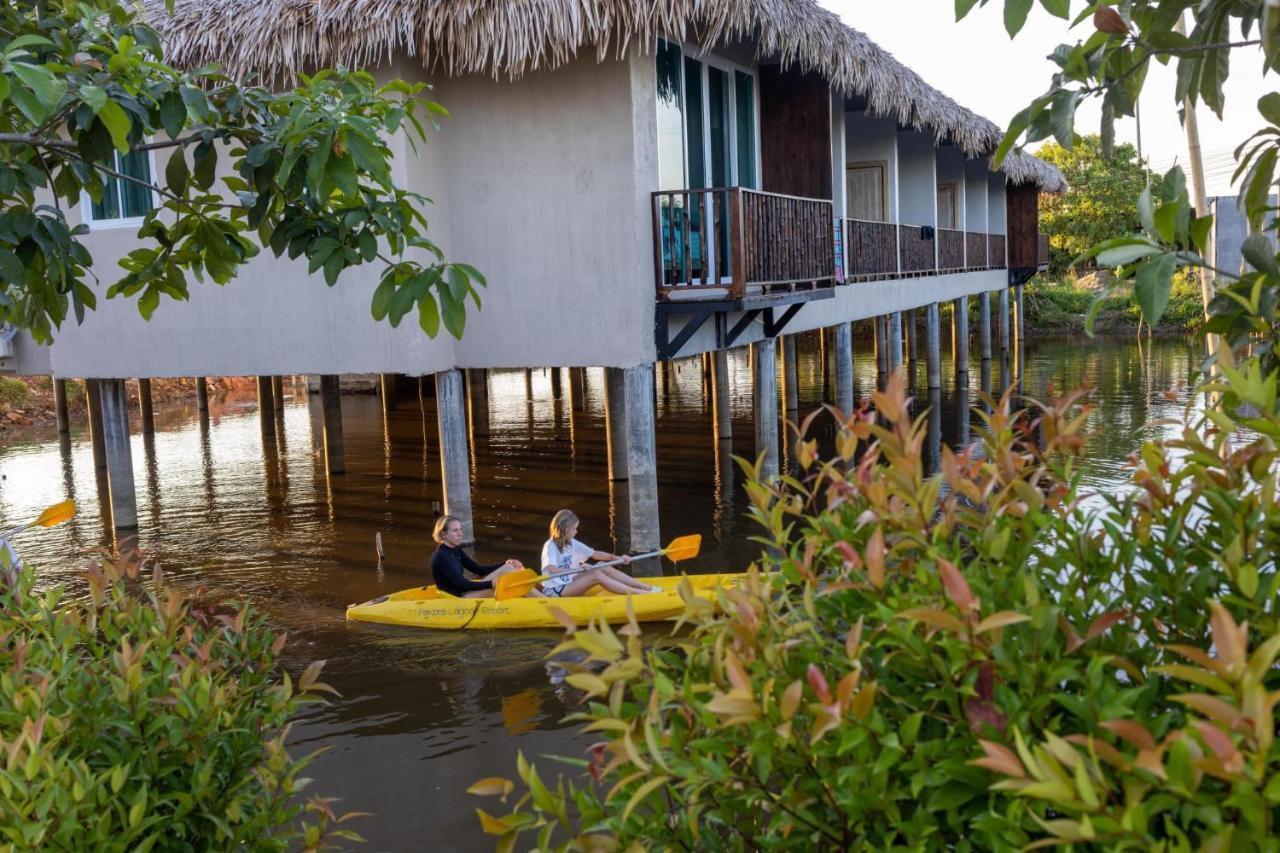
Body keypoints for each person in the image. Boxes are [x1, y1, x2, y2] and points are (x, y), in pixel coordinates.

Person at [538, 509, 659, 597]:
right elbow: (551, 569)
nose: (576, 531)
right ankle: (639, 593)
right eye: (574, 528)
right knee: (595, 575)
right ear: (564, 529)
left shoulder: (571, 542)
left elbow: (595, 554)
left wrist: (619, 557)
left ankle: (643, 586)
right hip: (555, 590)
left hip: (569, 582)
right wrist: (579, 569)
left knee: (602, 565)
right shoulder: (550, 546)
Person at [429, 515, 523, 598]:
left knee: (509, 568)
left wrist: (505, 563)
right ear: (443, 534)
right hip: (459, 598)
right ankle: (536, 603)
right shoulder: (441, 556)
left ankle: (537, 599)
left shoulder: (455, 549)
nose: (460, 534)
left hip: (466, 592)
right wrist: (491, 584)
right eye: (455, 530)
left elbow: (478, 569)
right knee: (508, 586)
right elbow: (461, 584)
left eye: (460, 529)